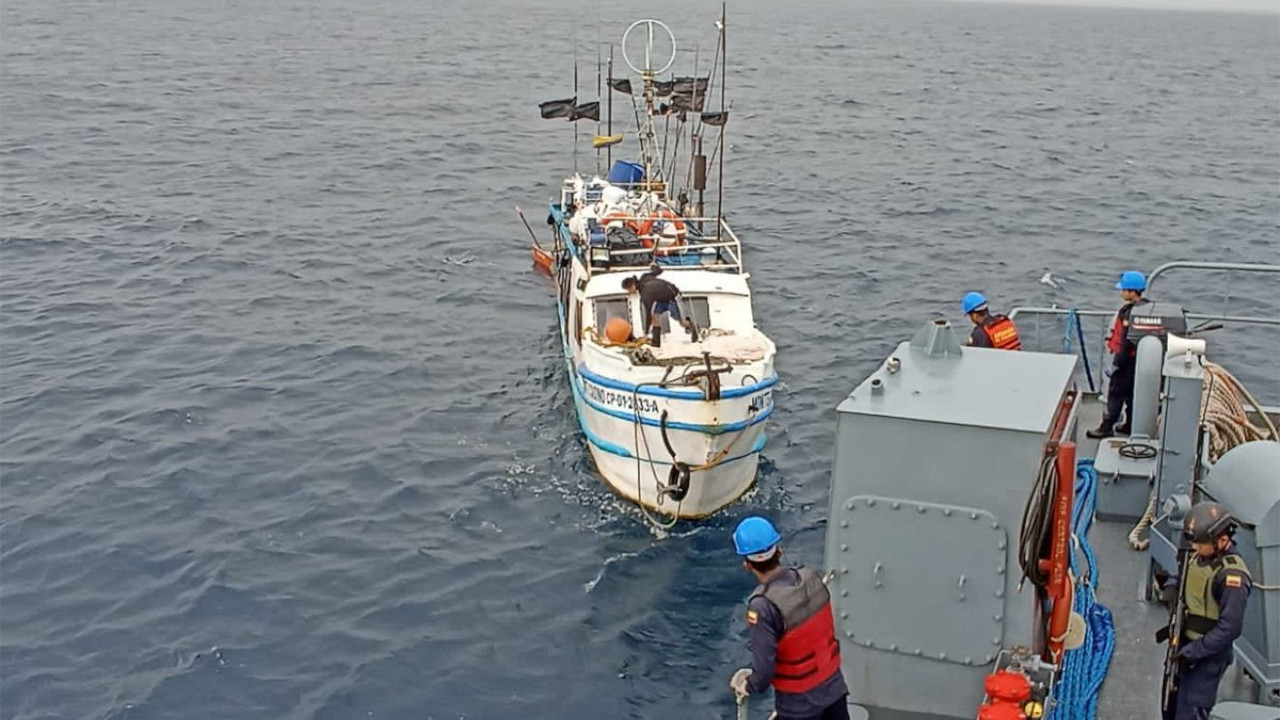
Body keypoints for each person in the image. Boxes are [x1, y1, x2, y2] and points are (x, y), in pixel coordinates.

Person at [729, 517, 849, 720]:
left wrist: (748, 684)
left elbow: (764, 672)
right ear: (779, 552)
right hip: (833, 689)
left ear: (747, 565)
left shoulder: (762, 606)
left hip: (799, 706)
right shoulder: (811, 578)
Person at [1161, 501, 1252, 720]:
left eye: (1201, 544)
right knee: (1169, 707)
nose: (1195, 548)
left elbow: (1230, 628)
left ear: (1222, 540)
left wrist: (1192, 653)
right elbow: (1184, 572)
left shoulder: (1232, 577)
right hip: (1182, 643)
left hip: (1206, 656)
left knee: (1190, 712)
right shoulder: (1199, 553)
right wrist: (1171, 586)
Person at [1088, 270, 1150, 438]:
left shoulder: (1128, 313)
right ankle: (1130, 425)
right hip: (1140, 360)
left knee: (1115, 394)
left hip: (1125, 361)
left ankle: (1106, 427)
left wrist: (1116, 364)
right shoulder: (1147, 309)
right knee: (1132, 394)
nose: (1121, 292)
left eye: (1123, 289)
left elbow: (1125, 342)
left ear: (1131, 291)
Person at [621, 268, 694, 347]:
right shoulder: (644, 276)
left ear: (632, 286)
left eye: (628, 290)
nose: (629, 292)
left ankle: (692, 327)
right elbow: (658, 271)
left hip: (673, 297)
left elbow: (648, 315)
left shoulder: (646, 295)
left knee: (682, 322)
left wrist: (646, 333)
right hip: (661, 299)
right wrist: (654, 266)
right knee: (655, 315)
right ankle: (656, 342)